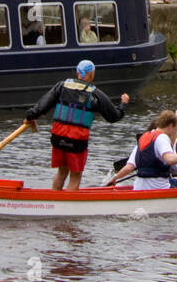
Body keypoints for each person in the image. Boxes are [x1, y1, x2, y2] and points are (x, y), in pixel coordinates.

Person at [24, 60, 129, 191]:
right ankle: (66, 208)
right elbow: (114, 116)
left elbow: (41, 106)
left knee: (61, 172)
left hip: (58, 137)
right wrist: (123, 104)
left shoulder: (62, 86)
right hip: (76, 140)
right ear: (91, 75)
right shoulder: (95, 94)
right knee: (75, 176)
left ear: (78, 73)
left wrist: (30, 117)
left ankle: (53, 202)